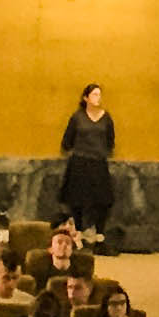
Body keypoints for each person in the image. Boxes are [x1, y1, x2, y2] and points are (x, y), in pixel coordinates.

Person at [59, 84, 117, 239]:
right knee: (76, 199)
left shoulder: (106, 118)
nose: (98, 98)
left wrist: (101, 152)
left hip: (98, 162)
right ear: (86, 98)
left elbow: (110, 141)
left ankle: (100, 234)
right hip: (80, 162)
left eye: (99, 94)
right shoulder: (78, 117)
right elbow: (67, 141)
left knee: (102, 200)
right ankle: (78, 231)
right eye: (94, 94)